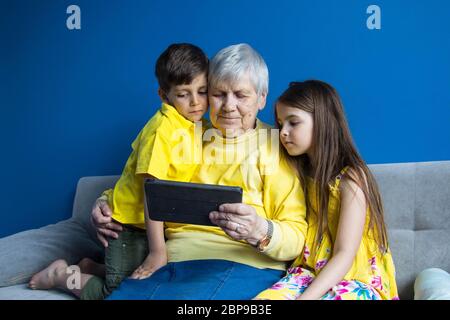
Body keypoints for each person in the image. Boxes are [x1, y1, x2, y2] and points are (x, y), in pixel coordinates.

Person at [93, 43, 309, 300]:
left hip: (244, 263)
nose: (229, 106)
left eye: (241, 95)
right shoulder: (183, 133)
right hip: (175, 263)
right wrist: (104, 202)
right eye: (219, 94)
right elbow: (144, 181)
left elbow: (297, 236)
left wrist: (260, 231)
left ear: (262, 98)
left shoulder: (277, 145)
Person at [28, 43, 209, 299]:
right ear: (163, 95)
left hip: (152, 226)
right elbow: (152, 193)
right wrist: (158, 251)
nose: (195, 102)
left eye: (202, 91)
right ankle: (61, 275)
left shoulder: (196, 126)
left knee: (145, 279)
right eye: (183, 94)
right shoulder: (162, 131)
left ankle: (91, 267)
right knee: (118, 293)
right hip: (126, 225)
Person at [254, 80, 399, 300]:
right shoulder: (295, 170)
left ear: (322, 122)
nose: (283, 132)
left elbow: (345, 254)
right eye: (281, 123)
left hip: (354, 278)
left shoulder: (351, 178)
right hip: (307, 273)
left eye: (293, 123)